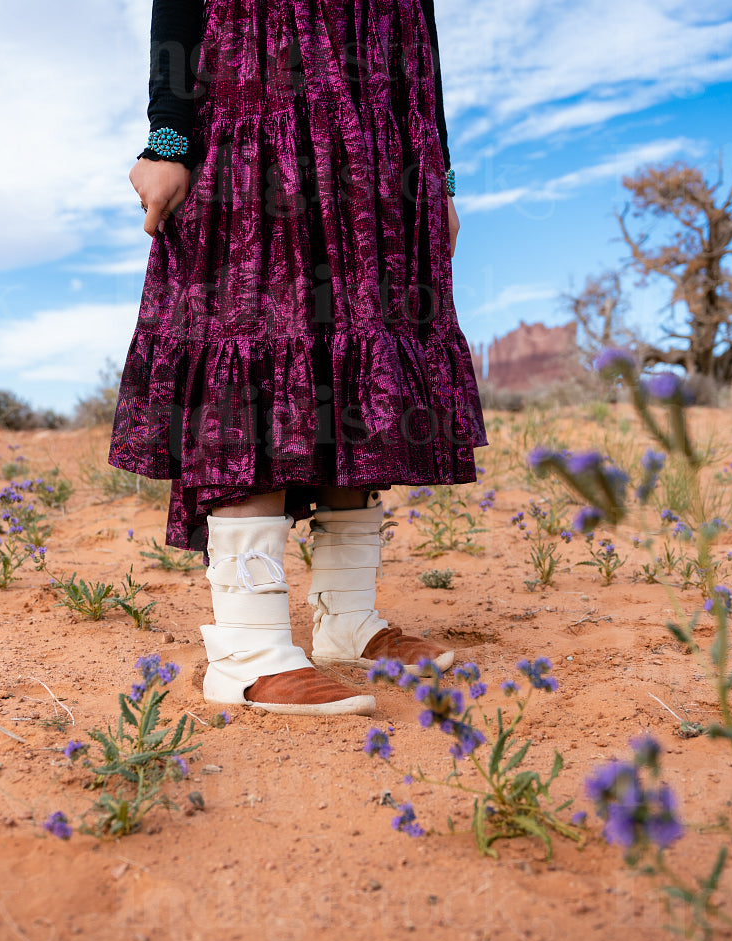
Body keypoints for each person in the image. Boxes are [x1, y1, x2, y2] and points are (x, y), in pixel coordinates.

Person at [110, 0, 487, 716]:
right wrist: (168, 138)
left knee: (359, 342)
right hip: (259, 85)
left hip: (379, 121)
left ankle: (347, 617)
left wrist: (438, 181)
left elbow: (422, 42)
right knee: (255, 318)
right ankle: (246, 650)